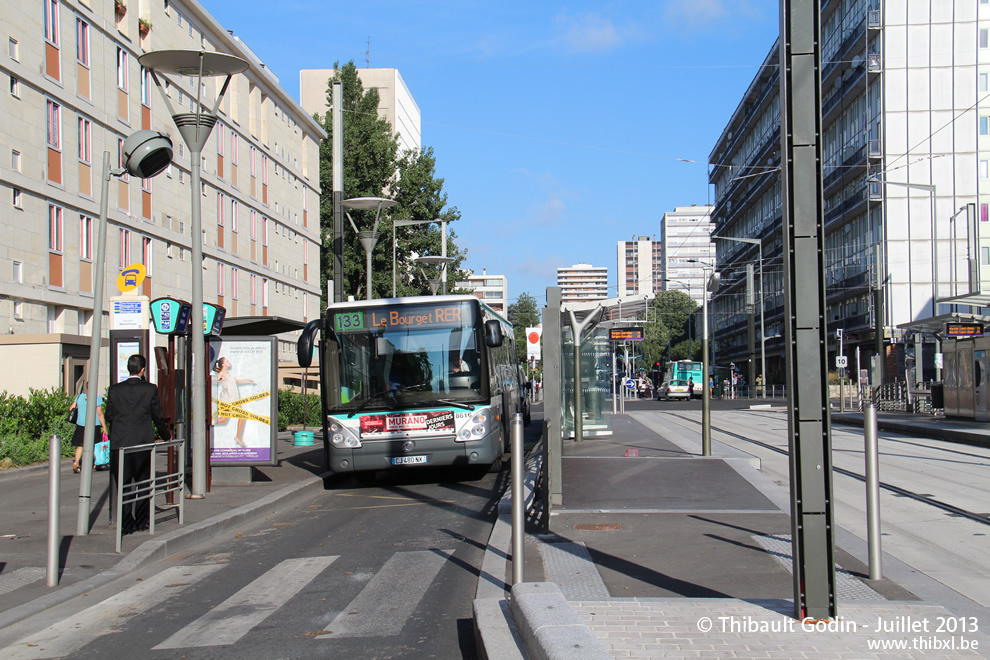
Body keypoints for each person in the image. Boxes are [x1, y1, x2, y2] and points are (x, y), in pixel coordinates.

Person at [105, 354, 171, 534]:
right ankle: (142, 521)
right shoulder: (150, 389)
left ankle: (126, 523)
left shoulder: (114, 389)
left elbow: (109, 415)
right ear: (143, 370)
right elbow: (157, 415)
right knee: (143, 482)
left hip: (120, 443)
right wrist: (166, 436)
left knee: (123, 483)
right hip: (142, 442)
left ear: (129, 368)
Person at [214, 357, 255, 447]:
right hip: (227, 400)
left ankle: (237, 436)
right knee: (238, 416)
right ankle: (237, 437)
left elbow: (234, 381)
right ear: (223, 364)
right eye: (227, 361)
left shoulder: (228, 373)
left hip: (234, 398)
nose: (229, 362)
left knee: (223, 419)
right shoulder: (221, 373)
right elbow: (214, 381)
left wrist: (247, 380)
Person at [68, 391, 107, 473]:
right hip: (94, 424)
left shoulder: (79, 397)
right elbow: (99, 413)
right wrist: (104, 427)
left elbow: (71, 408)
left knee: (80, 444)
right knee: (95, 444)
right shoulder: (97, 398)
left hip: (81, 423)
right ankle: (96, 464)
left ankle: (76, 462)